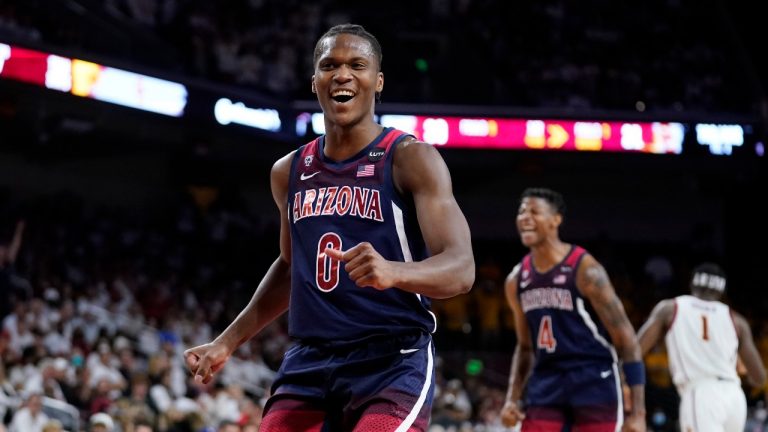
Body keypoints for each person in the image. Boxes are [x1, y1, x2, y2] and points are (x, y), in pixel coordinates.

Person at [184, 23, 475, 431]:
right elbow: (289, 266)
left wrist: (395, 272)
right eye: (330, 65)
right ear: (316, 81)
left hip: (392, 359)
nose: (342, 74)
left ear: (378, 81)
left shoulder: (410, 158)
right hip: (310, 360)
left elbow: (461, 270)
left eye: (357, 65)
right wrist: (227, 341)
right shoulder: (289, 171)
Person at [500, 188, 646, 431]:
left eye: (535, 211)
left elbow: (627, 340)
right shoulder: (516, 279)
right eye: (522, 211)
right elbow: (525, 348)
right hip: (546, 380)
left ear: (556, 219)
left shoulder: (586, 270)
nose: (525, 217)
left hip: (593, 377)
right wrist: (512, 399)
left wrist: (639, 412)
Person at [637, 262, 766, 432]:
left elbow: (634, 350)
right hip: (734, 396)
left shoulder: (671, 308)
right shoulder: (737, 320)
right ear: (721, 291)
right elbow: (759, 378)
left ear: (692, 284)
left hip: (701, 394)